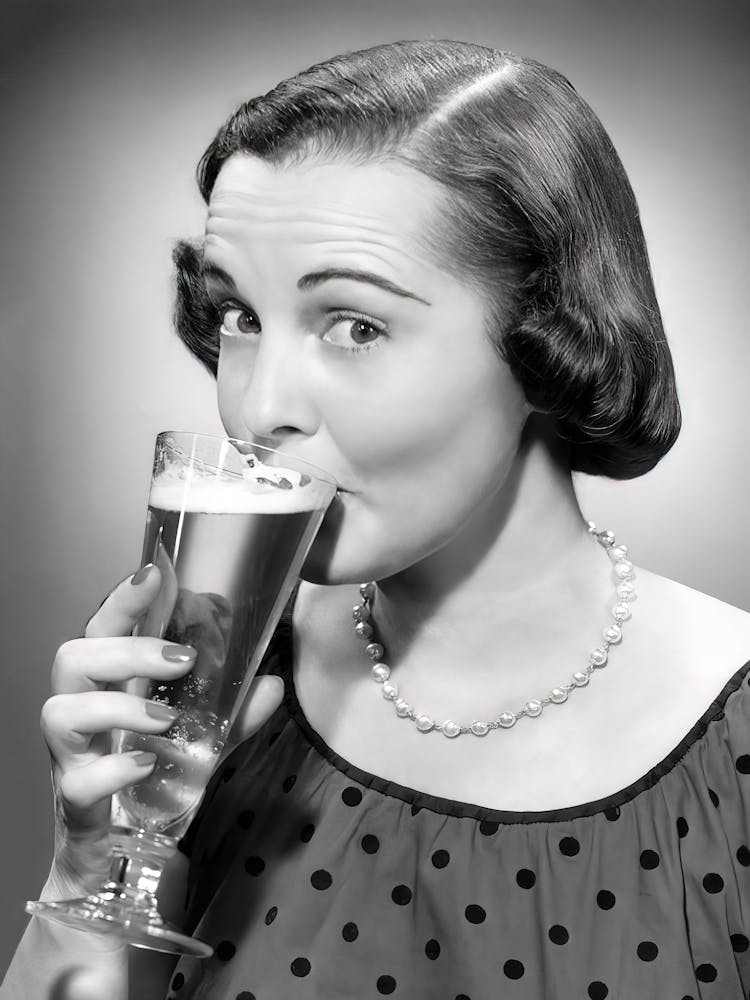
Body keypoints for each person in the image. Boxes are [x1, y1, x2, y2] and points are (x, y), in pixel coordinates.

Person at [3, 38, 750, 1000]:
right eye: (238, 316)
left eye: (355, 324)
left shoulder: (733, 744)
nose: (260, 406)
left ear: (548, 340)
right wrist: (94, 870)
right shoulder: (211, 703)